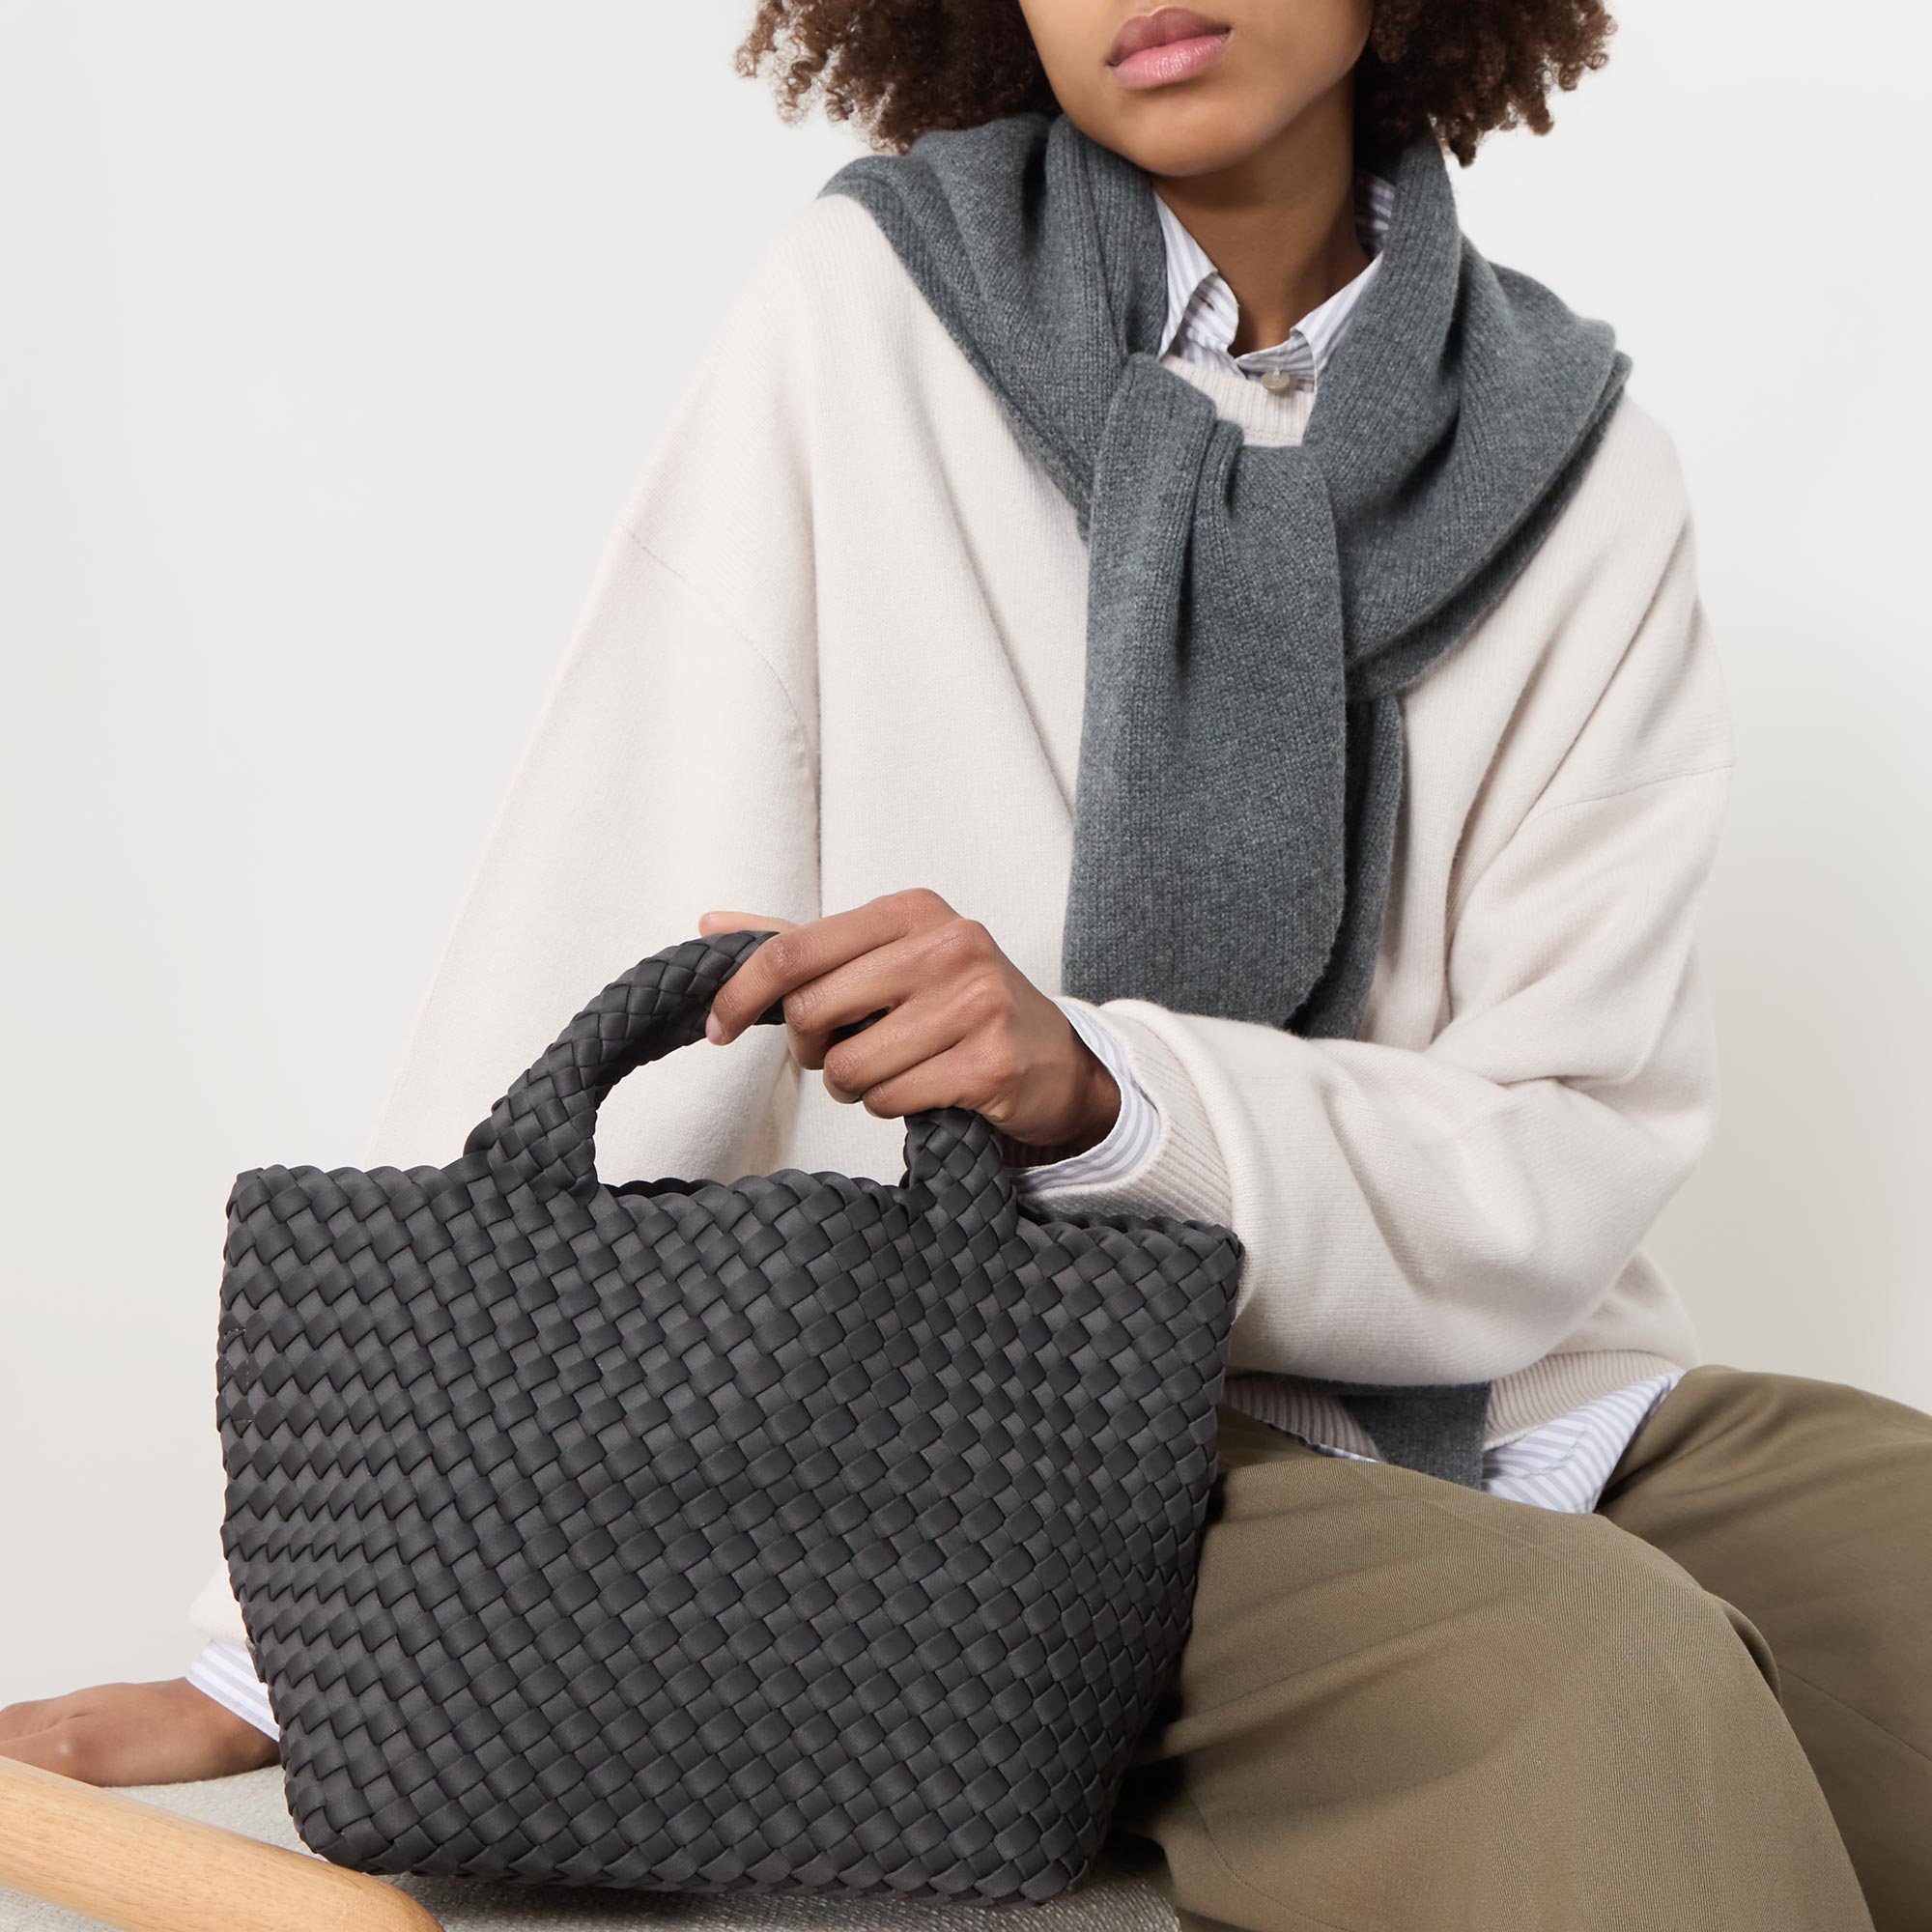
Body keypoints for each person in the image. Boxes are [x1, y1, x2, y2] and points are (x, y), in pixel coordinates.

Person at [4, 2, 1927, 1926]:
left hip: (1490, 1391)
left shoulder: (1584, 463)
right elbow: (608, 903)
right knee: (1601, 1683)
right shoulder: (871, 314)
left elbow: (1561, 1136)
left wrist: (1115, 1096)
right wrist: (299, 1636)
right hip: (968, 1424)